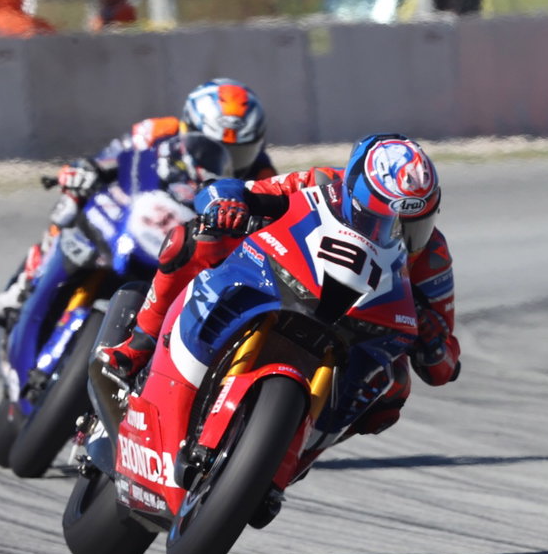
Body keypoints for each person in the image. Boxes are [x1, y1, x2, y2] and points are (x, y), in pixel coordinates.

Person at [95, 133, 460, 434]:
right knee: (193, 240)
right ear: (356, 196)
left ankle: (301, 446)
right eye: (389, 221)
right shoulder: (322, 182)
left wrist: (433, 343)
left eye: (416, 225)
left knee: (394, 386)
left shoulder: (433, 257)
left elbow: (445, 364)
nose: (402, 235)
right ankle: (138, 346)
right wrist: (228, 204)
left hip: (360, 327)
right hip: (286, 277)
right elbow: (231, 190)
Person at [0, 79, 274, 327]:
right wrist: (85, 170)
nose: (225, 161)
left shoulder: (263, 174)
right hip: (134, 212)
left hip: (187, 239)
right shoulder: (158, 131)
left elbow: (272, 226)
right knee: (72, 200)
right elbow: (110, 157)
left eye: (240, 153)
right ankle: (26, 282)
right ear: (188, 128)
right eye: (211, 148)